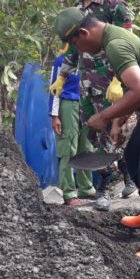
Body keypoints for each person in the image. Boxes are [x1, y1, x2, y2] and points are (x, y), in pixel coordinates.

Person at [54, 7, 140, 260]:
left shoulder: (116, 45)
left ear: (84, 32)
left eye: (76, 43)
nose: (80, 51)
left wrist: (104, 117)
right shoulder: (111, 39)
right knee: (132, 157)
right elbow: (133, 92)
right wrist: (118, 123)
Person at [50, 0, 135, 210]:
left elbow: (128, 45)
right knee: (96, 135)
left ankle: (117, 178)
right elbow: (75, 48)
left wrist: (119, 79)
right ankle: (105, 182)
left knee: (118, 132)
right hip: (87, 82)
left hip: (113, 83)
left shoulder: (114, 5)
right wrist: (63, 76)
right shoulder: (77, 8)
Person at [49, 50, 96, 205]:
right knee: (69, 148)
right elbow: (54, 89)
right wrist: (54, 115)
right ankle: (69, 193)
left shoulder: (90, 59)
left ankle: (86, 189)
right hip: (69, 105)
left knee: (87, 147)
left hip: (87, 105)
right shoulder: (61, 61)